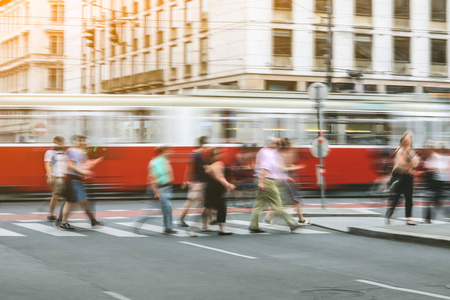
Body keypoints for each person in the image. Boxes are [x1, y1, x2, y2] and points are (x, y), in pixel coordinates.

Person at [249, 138, 300, 233]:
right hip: (266, 181)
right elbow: (264, 168)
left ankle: (253, 225)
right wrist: (261, 182)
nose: (279, 146)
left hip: (262, 179)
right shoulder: (268, 153)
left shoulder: (266, 151)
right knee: (277, 204)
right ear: (273, 144)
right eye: (277, 144)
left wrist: (284, 178)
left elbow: (274, 170)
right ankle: (292, 223)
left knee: (259, 204)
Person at [58, 135, 103, 230]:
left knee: (78, 202)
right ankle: (62, 222)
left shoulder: (82, 153)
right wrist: (83, 172)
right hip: (73, 179)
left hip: (76, 180)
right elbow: (70, 165)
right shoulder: (73, 151)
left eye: (85, 141)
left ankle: (92, 221)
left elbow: (81, 165)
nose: (85, 143)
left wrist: (92, 164)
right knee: (74, 202)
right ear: (77, 142)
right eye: (82, 141)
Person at [264, 138, 311, 225]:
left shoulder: (280, 153)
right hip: (286, 179)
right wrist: (296, 167)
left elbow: (284, 165)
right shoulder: (281, 154)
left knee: (281, 200)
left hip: (284, 179)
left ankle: (268, 216)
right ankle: (301, 219)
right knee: (295, 200)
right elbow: (281, 168)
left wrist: (290, 165)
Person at [178, 136, 214, 227]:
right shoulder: (201, 154)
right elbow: (206, 168)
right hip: (199, 183)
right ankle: (181, 219)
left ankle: (211, 219)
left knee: (207, 201)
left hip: (197, 182)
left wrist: (186, 180)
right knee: (192, 202)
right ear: (205, 144)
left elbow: (189, 168)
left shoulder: (194, 154)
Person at [385, 131, 420, 226]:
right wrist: (409, 164)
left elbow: (416, 163)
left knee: (409, 198)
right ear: (403, 139)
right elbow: (400, 164)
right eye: (407, 138)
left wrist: (409, 158)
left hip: (408, 177)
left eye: (410, 138)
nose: (408, 140)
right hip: (399, 176)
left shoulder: (412, 151)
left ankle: (409, 219)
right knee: (396, 198)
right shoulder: (399, 150)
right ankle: (390, 212)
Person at [201, 148, 235, 235]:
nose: (219, 155)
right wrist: (228, 185)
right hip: (216, 189)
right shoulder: (218, 164)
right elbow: (220, 177)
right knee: (222, 207)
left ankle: (204, 226)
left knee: (207, 206)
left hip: (209, 188)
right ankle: (222, 229)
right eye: (217, 154)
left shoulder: (208, 165)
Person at [144, 146, 177, 234]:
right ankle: (139, 221)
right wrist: (156, 192)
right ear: (163, 152)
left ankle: (168, 227)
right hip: (161, 188)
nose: (171, 152)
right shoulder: (156, 162)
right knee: (165, 208)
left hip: (167, 187)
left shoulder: (164, 161)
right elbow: (153, 178)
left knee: (167, 208)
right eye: (168, 151)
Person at [422, 141, 448, 224]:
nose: (425, 151)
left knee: (435, 202)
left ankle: (428, 219)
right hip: (431, 182)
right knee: (433, 201)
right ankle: (427, 219)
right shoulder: (429, 158)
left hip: (437, 182)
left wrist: (431, 170)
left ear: (430, 149)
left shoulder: (436, 157)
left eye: (427, 149)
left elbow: (439, 169)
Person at [43, 136, 67, 221]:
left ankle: (57, 214)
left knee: (61, 196)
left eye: (60, 142)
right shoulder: (50, 152)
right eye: (57, 142)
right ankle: (52, 214)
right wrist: (50, 176)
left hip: (63, 176)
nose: (59, 144)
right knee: (56, 195)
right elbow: (47, 165)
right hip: (56, 176)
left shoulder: (63, 152)